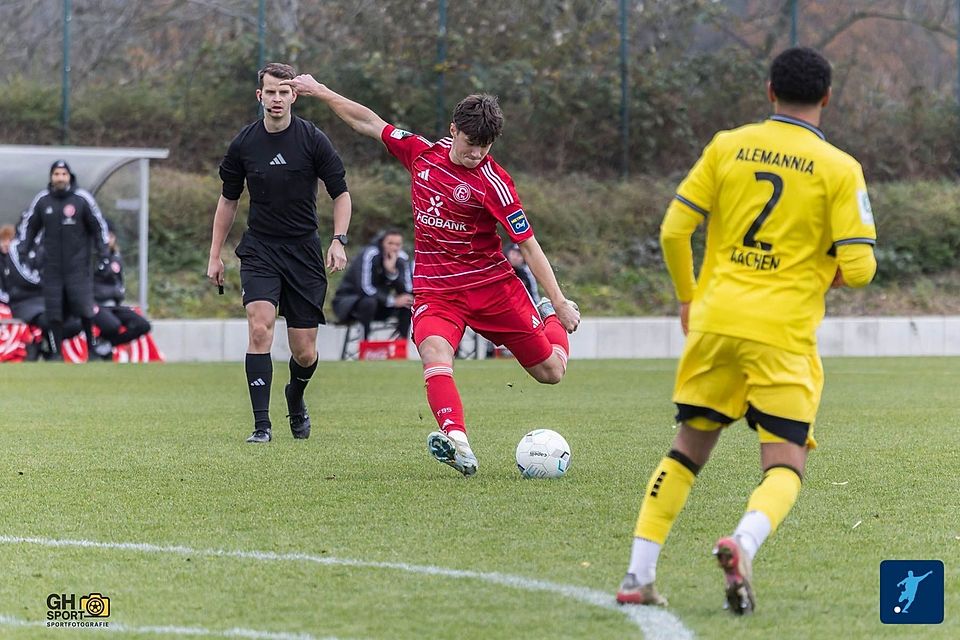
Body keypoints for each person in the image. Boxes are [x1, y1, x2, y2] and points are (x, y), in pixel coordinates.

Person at [615, 47, 877, 613]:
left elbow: (672, 231)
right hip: (781, 334)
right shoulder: (840, 169)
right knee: (785, 463)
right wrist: (816, 271)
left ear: (769, 91)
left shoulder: (726, 145)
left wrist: (688, 299)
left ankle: (638, 575)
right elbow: (859, 269)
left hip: (714, 321)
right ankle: (744, 541)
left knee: (687, 448)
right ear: (827, 98)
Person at [283, 75, 580, 477]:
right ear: (453, 131)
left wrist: (559, 301)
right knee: (435, 353)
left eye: (485, 148)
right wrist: (320, 91)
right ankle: (458, 442)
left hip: (493, 290)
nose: (477, 155)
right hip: (437, 292)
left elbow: (528, 245)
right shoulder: (422, 154)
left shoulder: (495, 184)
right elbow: (370, 122)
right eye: (471, 145)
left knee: (552, 373)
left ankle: (545, 313)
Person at [206, 62, 353, 444]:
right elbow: (227, 200)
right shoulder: (244, 143)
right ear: (260, 95)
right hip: (260, 249)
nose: (276, 98)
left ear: (294, 96)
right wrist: (215, 255)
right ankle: (261, 426)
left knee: (304, 352)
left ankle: (295, 395)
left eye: (284, 92)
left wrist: (339, 239)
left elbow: (341, 193)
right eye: (270, 91)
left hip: (304, 252)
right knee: (260, 328)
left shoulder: (312, 139)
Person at [17, 160, 110, 361]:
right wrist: (24, 253)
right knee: (54, 311)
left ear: (69, 176)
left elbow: (98, 228)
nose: (60, 178)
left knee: (85, 309)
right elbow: (29, 227)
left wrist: (104, 254)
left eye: (63, 174)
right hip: (52, 268)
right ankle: (56, 353)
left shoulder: (81, 199)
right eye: (56, 174)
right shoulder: (42, 200)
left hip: (78, 267)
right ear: (51, 177)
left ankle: (91, 351)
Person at [332, 228, 414, 339]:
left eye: (398, 244)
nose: (394, 248)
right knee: (369, 302)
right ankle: (364, 342)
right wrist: (392, 300)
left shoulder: (401, 258)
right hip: (352, 303)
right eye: (390, 243)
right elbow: (364, 288)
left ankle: (400, 344)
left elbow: (407, 289)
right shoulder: (370, 254)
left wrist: (392, 273)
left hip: (381, 304)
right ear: (382, 242)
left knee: (408, 301)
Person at [90, 219, 152, 360]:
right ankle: (96, 346)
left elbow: (118, 282)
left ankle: (106, 344)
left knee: (143, 325)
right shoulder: (92, 257)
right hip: (96, 304)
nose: (108, 239)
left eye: (111, 236)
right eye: (105, 236)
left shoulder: (116, 258)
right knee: (113, 325)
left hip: (114, 305)